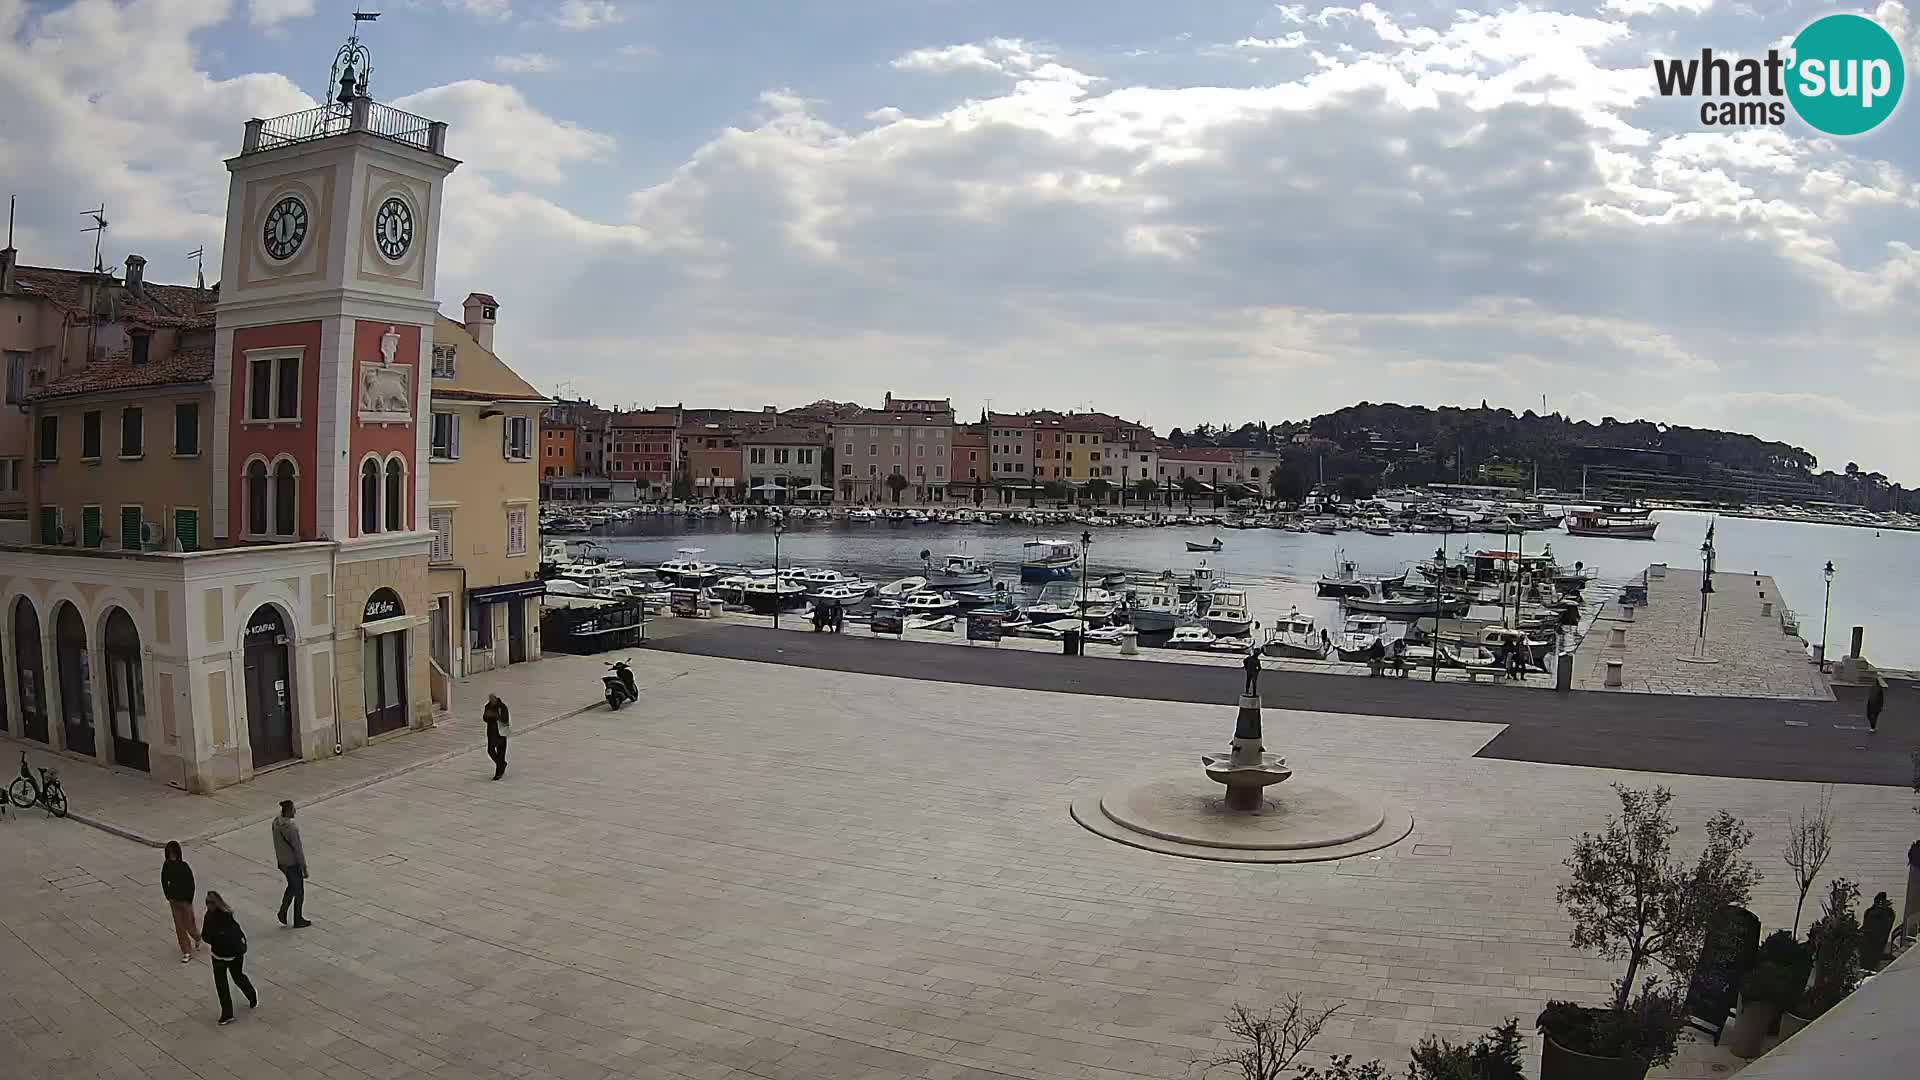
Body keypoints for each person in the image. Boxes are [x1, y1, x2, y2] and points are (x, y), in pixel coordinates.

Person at [200, 891, 257, 1025]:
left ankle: (234, 1009)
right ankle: (245, 999)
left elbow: (206, 936)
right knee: (230, 980)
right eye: (207, 902)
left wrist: (214, 939)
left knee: (228, 982)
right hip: (228, 955)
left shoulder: (215, 917)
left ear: (215, 904)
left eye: (209, 902)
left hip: (224, 955)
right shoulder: (223, 915)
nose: (207, 905)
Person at [271, 801, 311, 928]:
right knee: (299, 891)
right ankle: (297, 919)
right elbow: (297, 849)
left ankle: (282, 912)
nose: (295, 811)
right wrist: (304, 867)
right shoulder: (290, 828)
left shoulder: (276, 822)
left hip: (282, 862)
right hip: (292, 863)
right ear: (288, 811)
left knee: (292, 886)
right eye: (293, 809)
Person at [162, 841, 201, 962]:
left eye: (173, 853)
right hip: (174, 901)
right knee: (179, 927)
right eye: (170, 854)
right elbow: (164, 881)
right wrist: (168, 896)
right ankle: (186, 951)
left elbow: (191, 883)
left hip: (185, 901)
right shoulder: (166, 866)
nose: (172, 856)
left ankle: (197, 937)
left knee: (189, 925)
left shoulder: (184, 866)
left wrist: (189, 899)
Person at [484, 693, 510, 780]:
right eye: (490, 700)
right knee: (490, 751)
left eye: (492, 700)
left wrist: (496, 716)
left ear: (496, 699)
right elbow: (485, 718)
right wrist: (487, 716)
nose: (491, 702)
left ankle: (498, 773)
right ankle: (502, 764)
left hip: (501, 733)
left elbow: (505, 719)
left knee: (501, 753)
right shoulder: (487, 706)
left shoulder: (502, 707)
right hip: (491, 733)